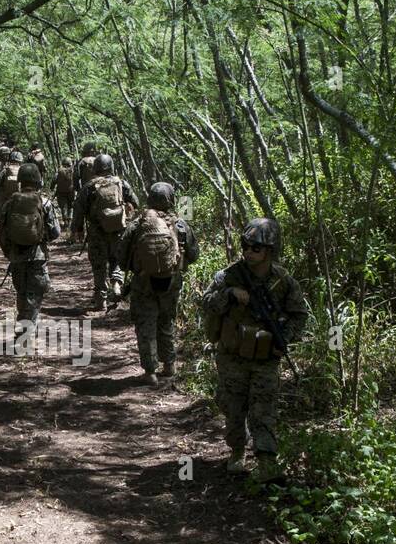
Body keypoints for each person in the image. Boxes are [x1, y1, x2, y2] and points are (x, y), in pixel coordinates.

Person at [200, 218, 309, 478]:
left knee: (264, 408)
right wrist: (229, 295)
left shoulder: (283, 281)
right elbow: (205, 302)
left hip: (265, 357)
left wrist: (285, 338)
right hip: (232, 355)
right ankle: (237, 451)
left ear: (270, 250)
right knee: (233, 406)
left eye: (256, 248)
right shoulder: (230, 275)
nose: (249, 252)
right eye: (245, 246)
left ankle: (266, 461)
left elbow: (299, 314)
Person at [115, 182, 199, 385]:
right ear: (170, 200)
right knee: (166, 321)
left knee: (146, 324)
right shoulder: (180, 224)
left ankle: (150, 371)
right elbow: (194, 255)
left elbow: (121, 256)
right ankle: (169, 365)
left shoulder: (139, 223)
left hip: (143, 282)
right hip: (171, 282)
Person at [71, 153, 138, 311]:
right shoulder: (121, 183)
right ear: (111, 166)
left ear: (96, 168)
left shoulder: (89, 186)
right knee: (117, 260)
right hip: (118, 230)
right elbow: (135, 201)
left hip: (96, 232)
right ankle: (116, 282)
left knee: (99, 265)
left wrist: (78, 229)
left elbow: (79, 210)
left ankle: (101, 299)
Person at [0, 162, 61, 324]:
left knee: (22, 292)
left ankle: (23, 323)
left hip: (16, 256)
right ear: (38, 180)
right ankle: (26, 328)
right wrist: (42, 237)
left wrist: (8, 251)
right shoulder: (44, 203)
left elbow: (1, 233)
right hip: (37, 256)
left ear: (20, 181)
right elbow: (56, 232)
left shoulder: (10, 203)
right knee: (35, 293)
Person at [0, 149, 26, 232]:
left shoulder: (6, 169)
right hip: (19, 197)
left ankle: (2, 230)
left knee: (2, 213)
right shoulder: (22, 169)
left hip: (6, 197)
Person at [53, 158, 76, 232]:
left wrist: (52, 187)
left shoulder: (59, 170)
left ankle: (65, 221)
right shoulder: (73, 170)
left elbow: (54, 180)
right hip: (71, 191)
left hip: (61, 192)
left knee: (63, 207)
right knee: (70, 206)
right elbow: (76, 180)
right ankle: (70, 221)